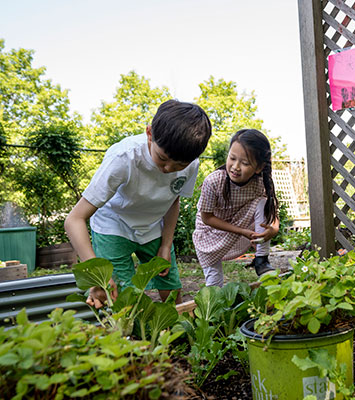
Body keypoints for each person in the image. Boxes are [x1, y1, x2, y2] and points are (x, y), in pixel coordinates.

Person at [65, 99, 212, 307]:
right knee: (121, 298)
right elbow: (74, 219)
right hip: (114, 225)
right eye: (162, 158)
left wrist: (166, 244)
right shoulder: (123, 158)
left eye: (179, 165)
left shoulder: (191, 163)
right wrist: (97, 275)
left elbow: (173, 200)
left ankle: (175, 334)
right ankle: (128, 338)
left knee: (171, 289)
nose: (168, 169)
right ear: (149, 134)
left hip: (153, 225)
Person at [193, 128, 279, 287]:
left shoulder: (260, 183)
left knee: (264, 202)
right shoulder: (213, 181)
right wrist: (242, 231)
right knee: (214, 282)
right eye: (232, 158)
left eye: (245, 163)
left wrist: (273, 229)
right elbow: (207, 218)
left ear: (258, 167)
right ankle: (214, 308)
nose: (236, 167)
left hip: (241, 227)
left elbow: (272, 214)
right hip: (210, 232)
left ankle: (261, 259)